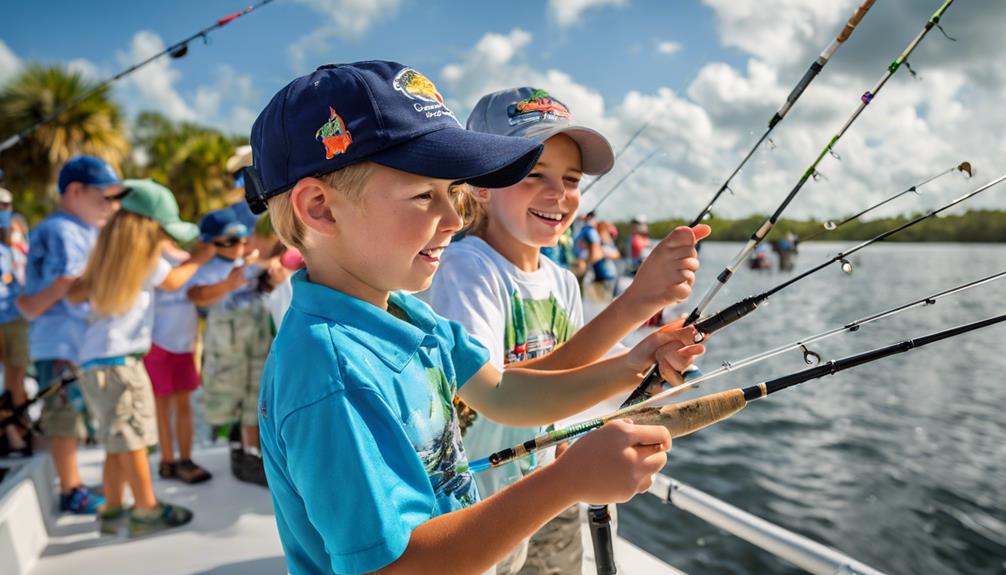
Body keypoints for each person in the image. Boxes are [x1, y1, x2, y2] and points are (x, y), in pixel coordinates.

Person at [249, 61, 698, 575]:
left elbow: (504, 393)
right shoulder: (330, 373)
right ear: (321, 209)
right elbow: (397, 567)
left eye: (452, 193)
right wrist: (566, 481)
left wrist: (635, 364)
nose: (455, 219)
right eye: (424, 196)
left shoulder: (406, 314)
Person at [422, 86, 708, 574]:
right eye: (534, 175)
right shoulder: (466, 268)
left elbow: (574, 366)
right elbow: (493, 394)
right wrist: (637, 304)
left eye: (571, 179)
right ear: (480, 186)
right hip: (481, 503)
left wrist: (655, 355)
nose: (559, 194)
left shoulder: (560, 278)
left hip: (547, 478)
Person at [69, 179, 212, 536]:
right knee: (133, 438)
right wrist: (201, 257)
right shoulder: (144, 260)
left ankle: (114, 511)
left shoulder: (105, 257)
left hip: (94, 363)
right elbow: (175, 281)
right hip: (121, 365)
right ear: (146, 228)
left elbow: (74, 295)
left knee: (115, 444)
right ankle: (147, 509)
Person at [16, 155, 124, 514]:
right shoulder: (60, 231)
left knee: (77, 417)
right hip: (61, 343)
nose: (112, 206)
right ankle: (70, 488)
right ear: (76, 191)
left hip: (80, 342)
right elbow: (63, 289)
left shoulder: (83, 229)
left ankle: (73, 480)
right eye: (105, 197)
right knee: (65, 419)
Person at [186, 206, 272, 485]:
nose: (239, 246)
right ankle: (243, 449)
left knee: (256, 394)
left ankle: (254, 454)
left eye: (242, 239)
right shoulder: (208, 269)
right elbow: (196, 295)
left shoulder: (250, 263)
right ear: (211, 244)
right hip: (227, 344)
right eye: (230, 241)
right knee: (229, 394)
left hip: (256, 336)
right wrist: (226, 285)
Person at [145, 237, 214, 484]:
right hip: (157, 344)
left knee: (184, 405)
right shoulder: (150, 260)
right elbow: (172, 284)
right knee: (162, 408)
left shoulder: (189, 260)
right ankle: (167, 460)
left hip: (184, 345)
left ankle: (185, 459)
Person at [0, 186, 31, 454]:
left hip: (17, 317)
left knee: (16, 380)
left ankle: (18, 430)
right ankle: (10, 433)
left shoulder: (17, 235)